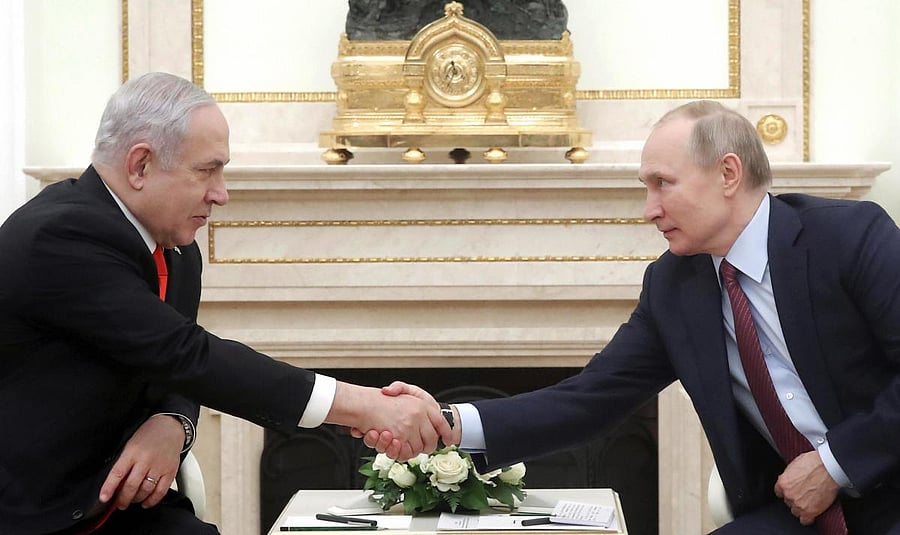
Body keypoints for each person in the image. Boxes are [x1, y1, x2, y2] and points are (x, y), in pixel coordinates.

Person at [370, 101, 900, 534]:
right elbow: (590, 399)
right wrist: (449, 423)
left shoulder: (849, 238)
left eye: (662, 183)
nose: (648, 209)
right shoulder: (675, 285)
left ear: (728, 173)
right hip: (799, 514)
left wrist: (835, 466)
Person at [0, 72, 451, 534]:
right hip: (34, 516)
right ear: (140, 165)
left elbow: (173, 367)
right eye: (207, 170)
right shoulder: (58, 238)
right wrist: (364, 405)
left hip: (119, 505)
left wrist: (173, 421)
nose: (222, 193)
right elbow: (187, 355)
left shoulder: (176, 250)